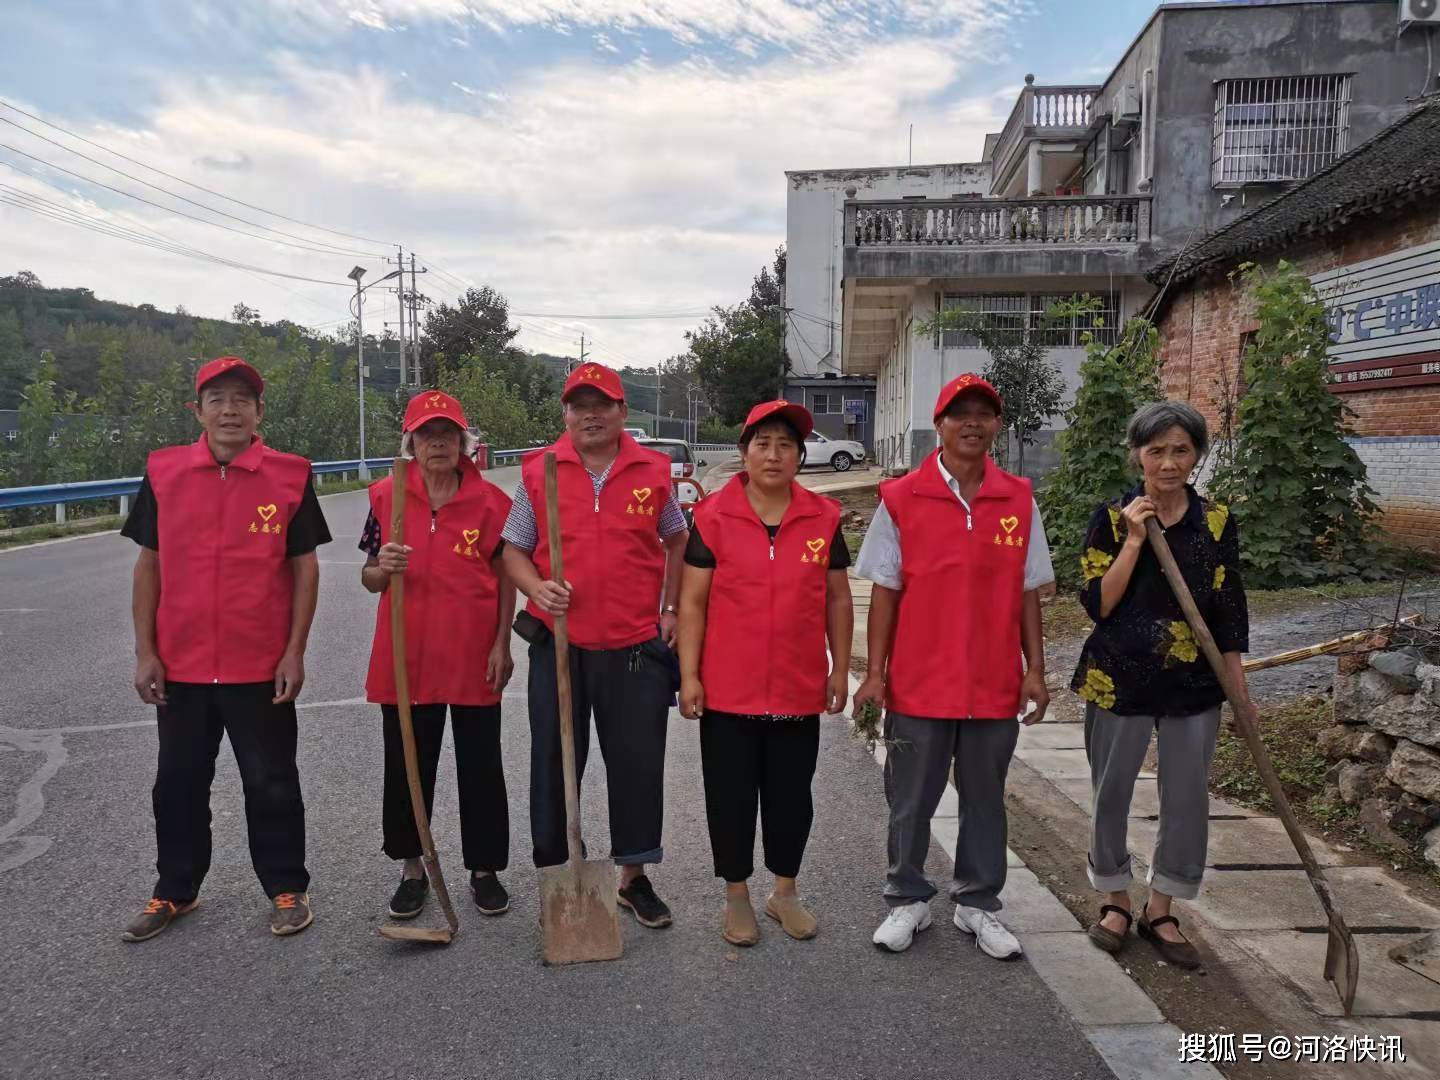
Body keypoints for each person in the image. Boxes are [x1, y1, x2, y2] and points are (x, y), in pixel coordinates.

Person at [120, 356, 331, 942]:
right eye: (217, 399)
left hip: (259, 665)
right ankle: (174, 890)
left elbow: (305, 569)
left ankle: (287, 888)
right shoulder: (164, 473)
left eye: (242, 398)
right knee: (177, 782)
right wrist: (146, 651)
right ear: (199, 410)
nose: (230, 409)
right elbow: (149, 566)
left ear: (260, 410)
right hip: (182, 665)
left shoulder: (289, 476)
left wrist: (295, 652)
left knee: (271, 782)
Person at [854, 373, 1053, 958]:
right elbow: (886, 591)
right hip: (918, 683)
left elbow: (1028, 591)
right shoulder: (901, 498)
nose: (971, 423)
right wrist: (874, 672)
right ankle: (907, 898)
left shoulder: (1018, 498)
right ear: (938, 425)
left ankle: (977, 904)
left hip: (992, 683)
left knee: (985, 798)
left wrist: (1034, 670)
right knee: (910, 798)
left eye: (983, 414)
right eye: (958, 413)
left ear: (996, 425)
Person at [500, 362, 689, 928]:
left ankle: (633, 877)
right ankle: (561, 873)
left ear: (621, 412)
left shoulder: (653, 472)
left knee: (636, 763)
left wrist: (671, 607)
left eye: (601, 404)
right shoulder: (540, 472)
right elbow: (513, 548)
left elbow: (677, 538)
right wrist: (536, 586)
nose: (590, 414)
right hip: (559, 644)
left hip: (634, 645)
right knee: (555, 761)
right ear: (565, 413)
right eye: (579, 405)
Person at [1073, 401, 1250, 970]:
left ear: (1197, 455)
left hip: (1194, 683)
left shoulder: (1216, 521)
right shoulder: (1111, 515)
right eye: (1157, 451)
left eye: (1181, 450)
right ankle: (1115, 901)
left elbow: (1228, 609)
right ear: (1138, 455)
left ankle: (1163, 907)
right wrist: (1132, 538)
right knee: (1111, 791)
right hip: (1117, 676)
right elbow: (1099, 604)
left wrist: (1239, 690)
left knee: (1186, 797)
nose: (1169, 463)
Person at [677, 400, 854, 947]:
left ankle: (785, 891)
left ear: (800, 455)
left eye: (785, 445)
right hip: (729, 689)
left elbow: (838, 600)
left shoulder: (824, 519)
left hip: (798, 687)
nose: (773, 455)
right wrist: (690, 675)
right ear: (743, 453)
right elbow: (692, 604)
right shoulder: (711, 519)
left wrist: (839, 669)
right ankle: (737, 896)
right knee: (729, 795)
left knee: (790, 795)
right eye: (762, 444)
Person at [360, 390, 517, 920]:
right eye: (428, 435)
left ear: (465, 442)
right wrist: (384, 566)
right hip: (406, 658)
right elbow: (368, 578)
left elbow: (504, 579)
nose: (439, 443)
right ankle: (411, 866)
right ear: (411, 443)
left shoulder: (494, 504)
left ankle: (485, 869)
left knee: (481, 766)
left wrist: (502, 643)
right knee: (407, 764)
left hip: (473, 655)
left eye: (449, 434)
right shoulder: (385, 497)